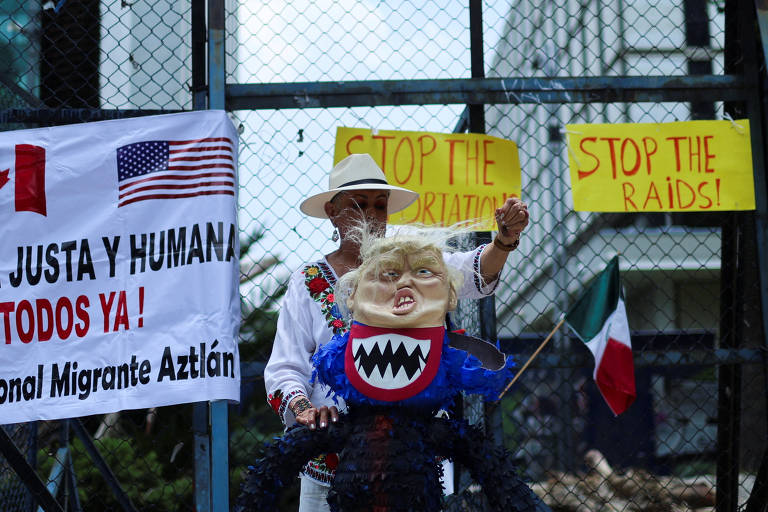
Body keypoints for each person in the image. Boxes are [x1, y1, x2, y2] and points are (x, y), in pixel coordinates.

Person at [264, 153, 529, 511]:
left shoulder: (413, 263)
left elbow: (473, 272)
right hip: (332, 458)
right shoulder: (308, 282)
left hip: (410, 456)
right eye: (359, 205)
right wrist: (305, 409)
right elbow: (285, 367)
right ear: (332, 211)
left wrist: (503, 242)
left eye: (380, 204)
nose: (372, 215)